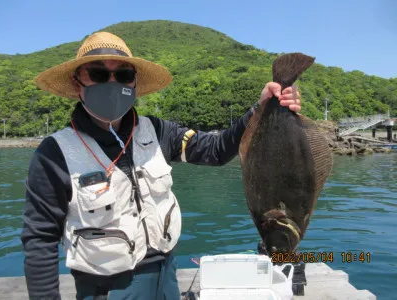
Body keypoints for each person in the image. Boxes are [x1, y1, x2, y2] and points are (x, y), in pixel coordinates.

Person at [21, 32, 302, 300]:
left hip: (166, 279)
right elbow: (40, 239)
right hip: (106, 289)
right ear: (75, 83)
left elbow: (215, 151)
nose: (112, 81)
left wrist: (260, 109)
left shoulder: (157, 132)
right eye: (97, 73)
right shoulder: (54, 153)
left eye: (123, 74)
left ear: (133, 83)